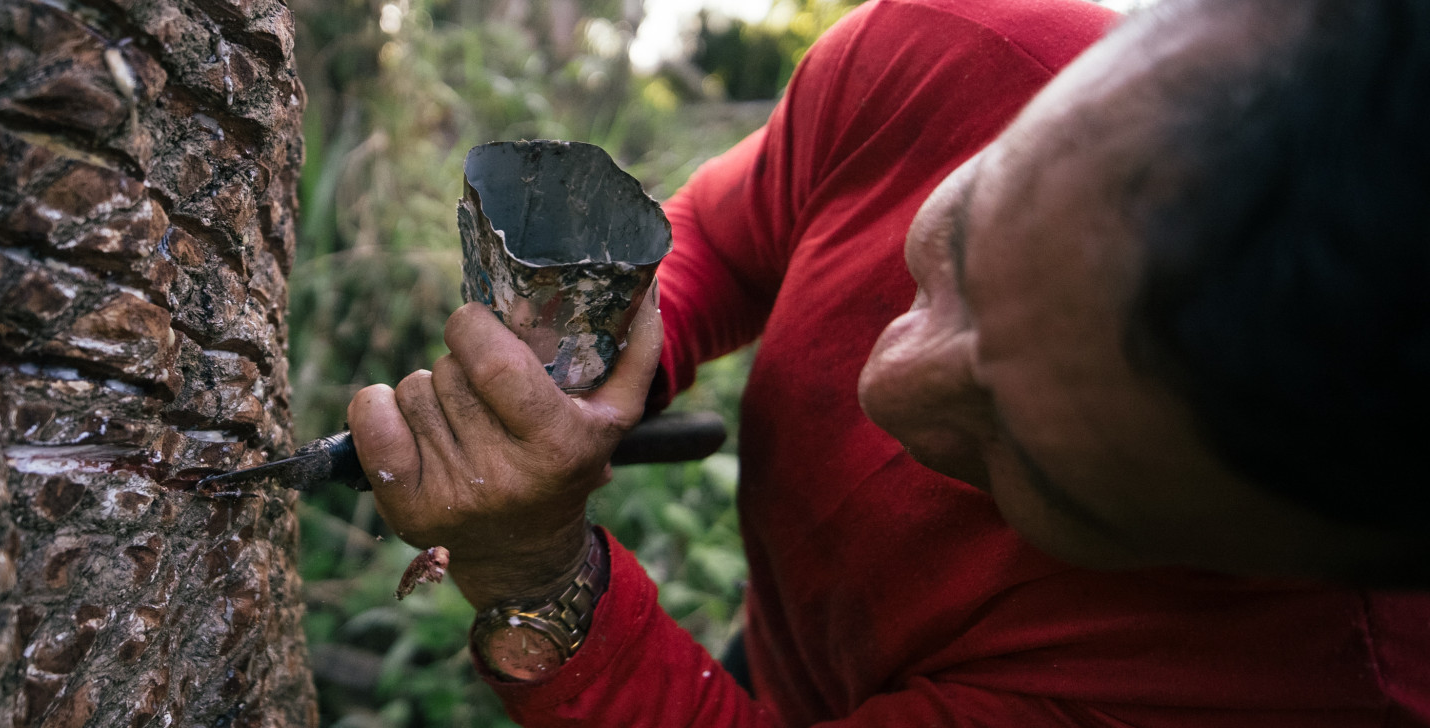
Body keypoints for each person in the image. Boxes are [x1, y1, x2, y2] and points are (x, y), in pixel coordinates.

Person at [349, 0, 1430, 724]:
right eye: (956, 242)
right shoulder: (964, 52)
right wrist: (579, 371)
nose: (887, 385)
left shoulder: (1296, 691)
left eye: (1033, 474)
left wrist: (542, 578)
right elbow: (731, 237)